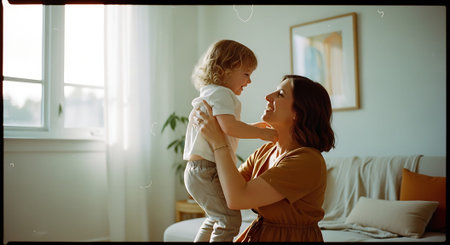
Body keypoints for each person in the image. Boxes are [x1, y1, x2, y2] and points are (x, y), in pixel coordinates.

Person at [193, 74, 335, 242]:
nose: (268, 97)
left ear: (298, 112)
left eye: (280, 94)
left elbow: (237, 199)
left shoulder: (307, 161)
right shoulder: (265, 151)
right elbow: (226, 189)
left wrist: (219, 142)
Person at [183, 39, 278, 242]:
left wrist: (254, 128)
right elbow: (229, 127)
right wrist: (261, 134)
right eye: (246, 74)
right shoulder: (222, 93)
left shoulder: (211, 92)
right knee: (230, 221)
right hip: (206, 170)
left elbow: (225, 128)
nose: (249, 81)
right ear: (225, 70)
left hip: (197, 170)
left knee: (215, 218)